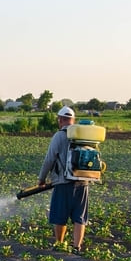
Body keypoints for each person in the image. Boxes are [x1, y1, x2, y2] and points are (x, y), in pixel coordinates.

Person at [37, 106, 89, 251]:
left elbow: (49, 159)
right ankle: (77, 246)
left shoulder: (59, 136)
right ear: (73, 120)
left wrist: (42, 178)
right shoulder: (84, 135)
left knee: (60, 214)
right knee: (80, 216)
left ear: (60, 120)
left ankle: (59, 244)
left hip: (63, 181)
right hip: (83, 181)